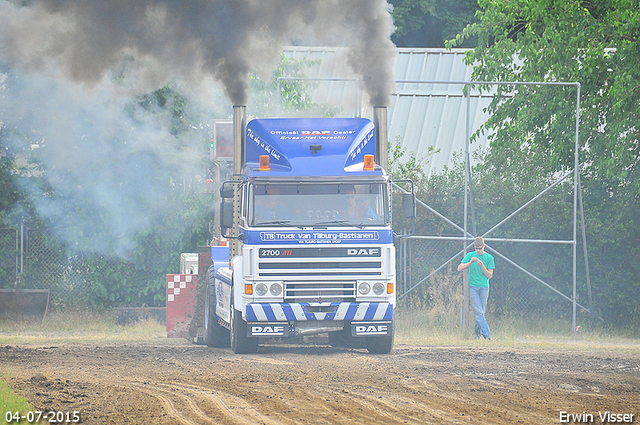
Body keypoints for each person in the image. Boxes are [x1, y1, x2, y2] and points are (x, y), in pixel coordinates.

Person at [457, 236, 495, 339]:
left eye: (480, 248)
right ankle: (487, 336)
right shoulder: (470, 255)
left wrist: (482, 266)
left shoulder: (489, 258)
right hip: (473, 287)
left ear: (484, 246)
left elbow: (489, 276)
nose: (478, 250)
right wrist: (470, 263)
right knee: (479, 312)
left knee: (481, 312)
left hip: (484, 287)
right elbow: (459, 268)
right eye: (476, 248)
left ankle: (477, 335)